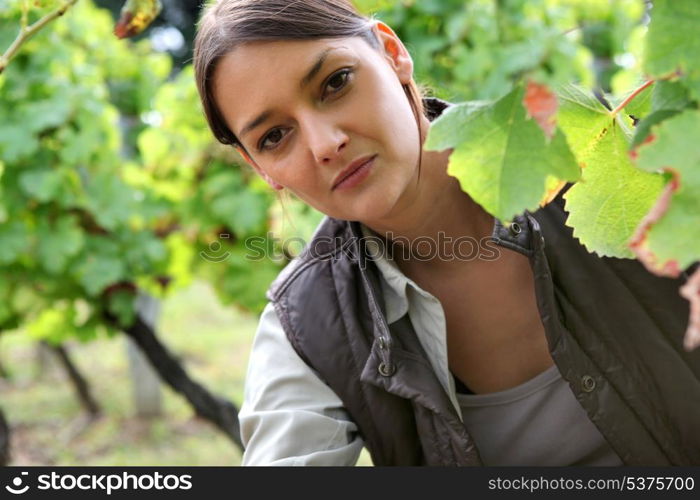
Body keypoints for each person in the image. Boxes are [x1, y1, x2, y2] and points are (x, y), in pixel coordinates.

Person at [193, 0, 700, 466]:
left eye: (335, 82)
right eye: (275, 136)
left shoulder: (608, 149)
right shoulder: (307, 323)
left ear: (392, 53)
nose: (326, 144)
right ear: (259, 166)